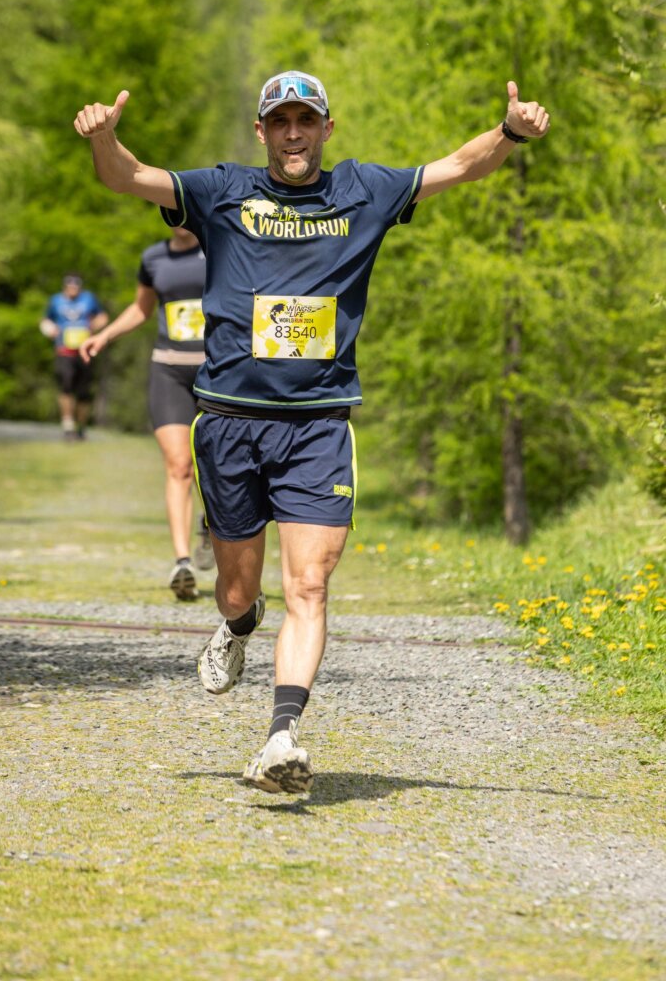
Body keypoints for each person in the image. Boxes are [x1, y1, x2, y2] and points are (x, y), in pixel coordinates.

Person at [74, 70, 549, 794]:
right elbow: (128, 177)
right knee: (237, 590)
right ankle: (237, 626)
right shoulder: (222, 190)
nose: (294, 133)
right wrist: (104, 137)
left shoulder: (363, 190)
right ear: (261, 130)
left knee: (312, 583)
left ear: (327, 128)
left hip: (319, 424)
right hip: (230, 419)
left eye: (307, 120)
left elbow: (457, 165)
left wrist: (510, 132)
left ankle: (281, 737)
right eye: (280, 121)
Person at [78, 227, 214, 601]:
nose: (177, 218)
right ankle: (182, 561)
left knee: (217, 465)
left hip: (216, 373)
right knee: (178, 465)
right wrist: (103, 336)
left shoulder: (219, 245)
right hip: (168, 370)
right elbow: (141, 309)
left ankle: (211, 523)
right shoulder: (154, 258)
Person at [40, 274, 108, 439]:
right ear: (65, 287)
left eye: (76, 287)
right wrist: (50, 330)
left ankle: (81, 426)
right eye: (70, 287)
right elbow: (45, 321)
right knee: (66, 386)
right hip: (64, 350)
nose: (73, 290)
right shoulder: (56, 301)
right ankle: (68, 424)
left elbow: (103, 317)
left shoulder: (89, 299)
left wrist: (94, 326)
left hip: (85, 351)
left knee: (84, 391)